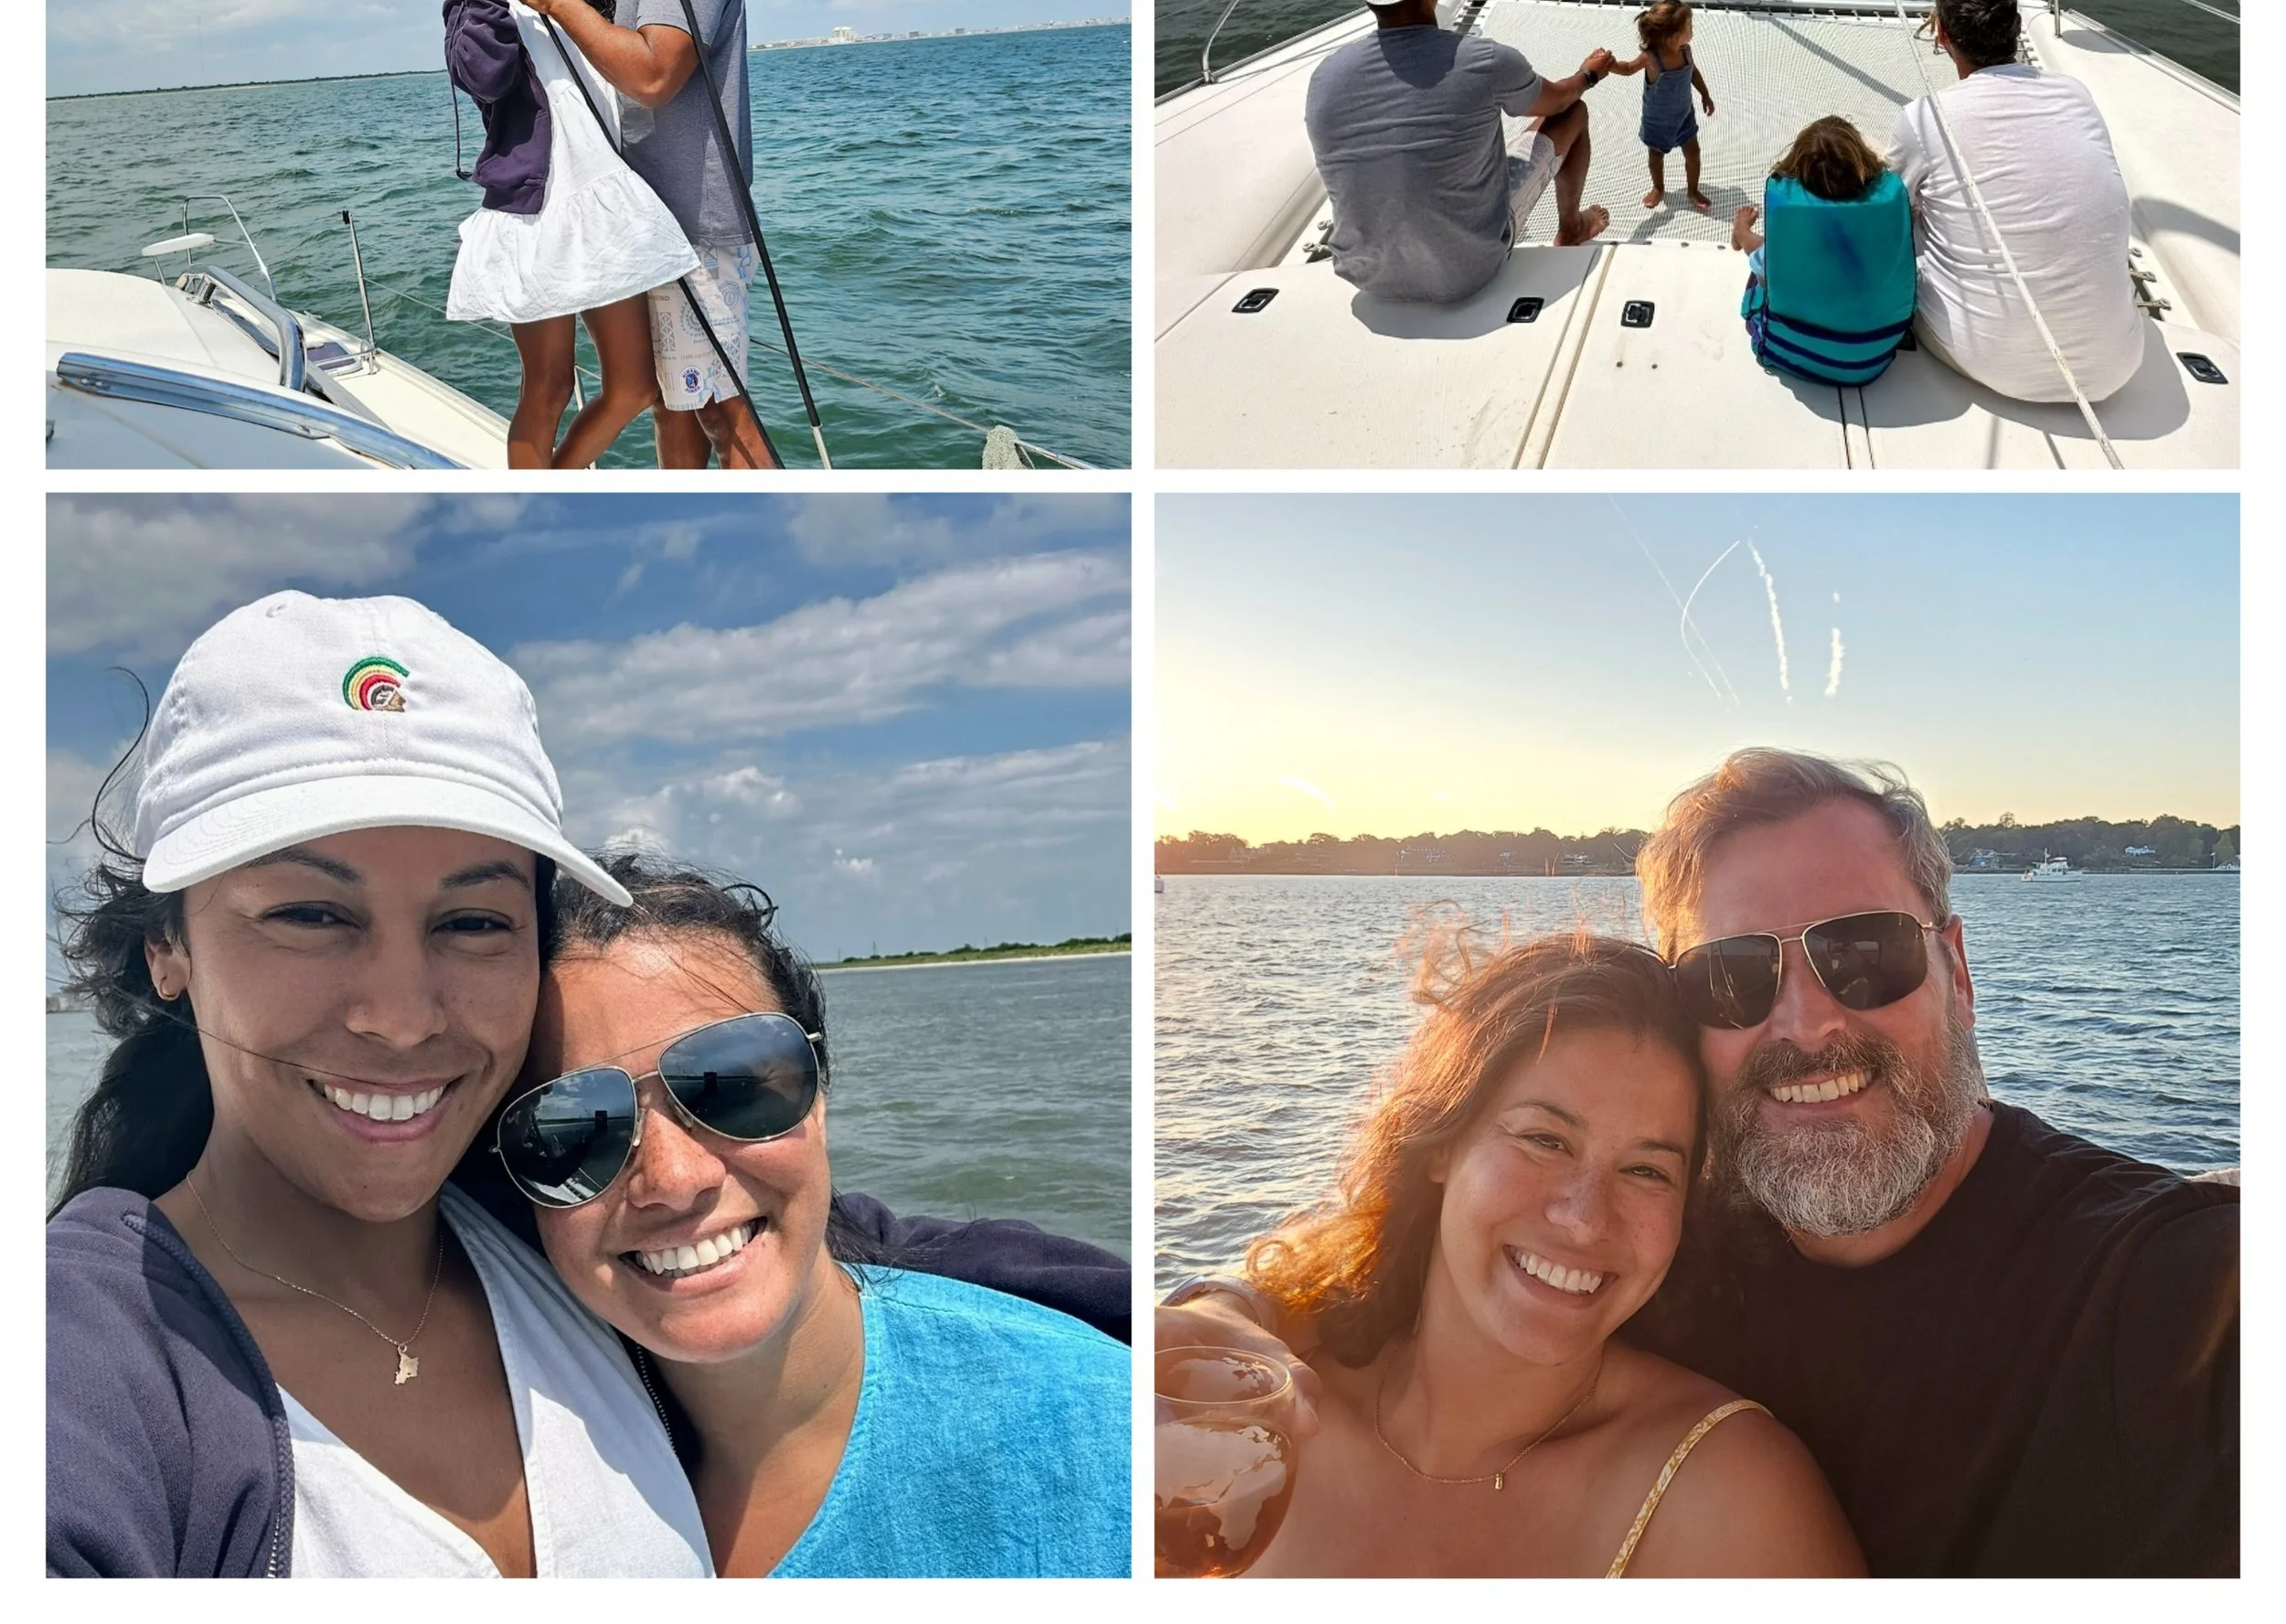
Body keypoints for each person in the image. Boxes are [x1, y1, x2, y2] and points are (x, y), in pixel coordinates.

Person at [46, 592, 1128, 1577]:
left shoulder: (533, 1204)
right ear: (167, 948)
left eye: (471, 921)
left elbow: (841, 1236)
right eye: (310, 915)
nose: (404, 1013)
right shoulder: (89, 1356)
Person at [1166, 749, 2238, 1576]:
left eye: (1863, 952)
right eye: (1734, 976)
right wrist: (1226, 1313)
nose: (1808, 1021)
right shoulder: (1672, 1237)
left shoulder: (2172, 1296)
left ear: (1954, 966)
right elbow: (1413, 1259)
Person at [501, 862, 1130, 1576]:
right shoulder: (523, 1481)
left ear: (819, 1092)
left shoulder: (1099, 1433)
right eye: (572, 1129)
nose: (674, 1180)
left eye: (731, 1085)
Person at [1174, 932, 1862, 1576]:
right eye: (1544, 1140)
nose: (1585, 1217)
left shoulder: (1724, 1498)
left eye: (1648, 1171)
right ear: (1441, 1142)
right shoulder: (1264, 1422)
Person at [507, 0, 776, 469]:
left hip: (698, 220)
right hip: (646, 226)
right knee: (669, 400)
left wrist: (559, 1)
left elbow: (655, 76)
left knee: (719, 407)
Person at [443, 0, 700, 468]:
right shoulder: (477, 3)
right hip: (534, 216)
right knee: (549, 386)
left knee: (635, 387)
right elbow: (481, 75)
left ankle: (554, 483)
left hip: (604, 209)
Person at [1303, 0, 1612, 304]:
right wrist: (1588, 73)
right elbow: (1560, 101)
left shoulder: (1327, 75)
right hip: (1469, 270)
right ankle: (1572, 228)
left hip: (1365, 272)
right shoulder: (1484, 61)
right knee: (1574, 115)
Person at [1886, 0, 2144, 404]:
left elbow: (1889, 207)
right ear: (2017, 29)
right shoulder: (2074, 94)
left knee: (1905, 218)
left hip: (1986, 358)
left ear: (1943, 37)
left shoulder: (1923, 118)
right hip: (2117, 364)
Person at [1730, 116, 1917, 387]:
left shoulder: (1792, 234)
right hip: (1872, 360)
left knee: (1763, 264)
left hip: (1794, 351)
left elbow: (1760, 265)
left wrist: (1746, 235)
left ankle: (1742, 231)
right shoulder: (1887, 219)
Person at [1608, 0, 1714, 212]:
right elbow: (1628, 68)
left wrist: (1705, 94)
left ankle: (1692, 190)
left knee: (1693, 154)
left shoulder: (1686, 51)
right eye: (1689, 27)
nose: (1692, 30)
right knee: (1656, 157)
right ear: (1673, 36)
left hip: (1684, 115)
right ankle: (1658, 187)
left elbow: (1692, 72)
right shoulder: (1651, 57)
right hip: (1657, 120)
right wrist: (1610, 64)